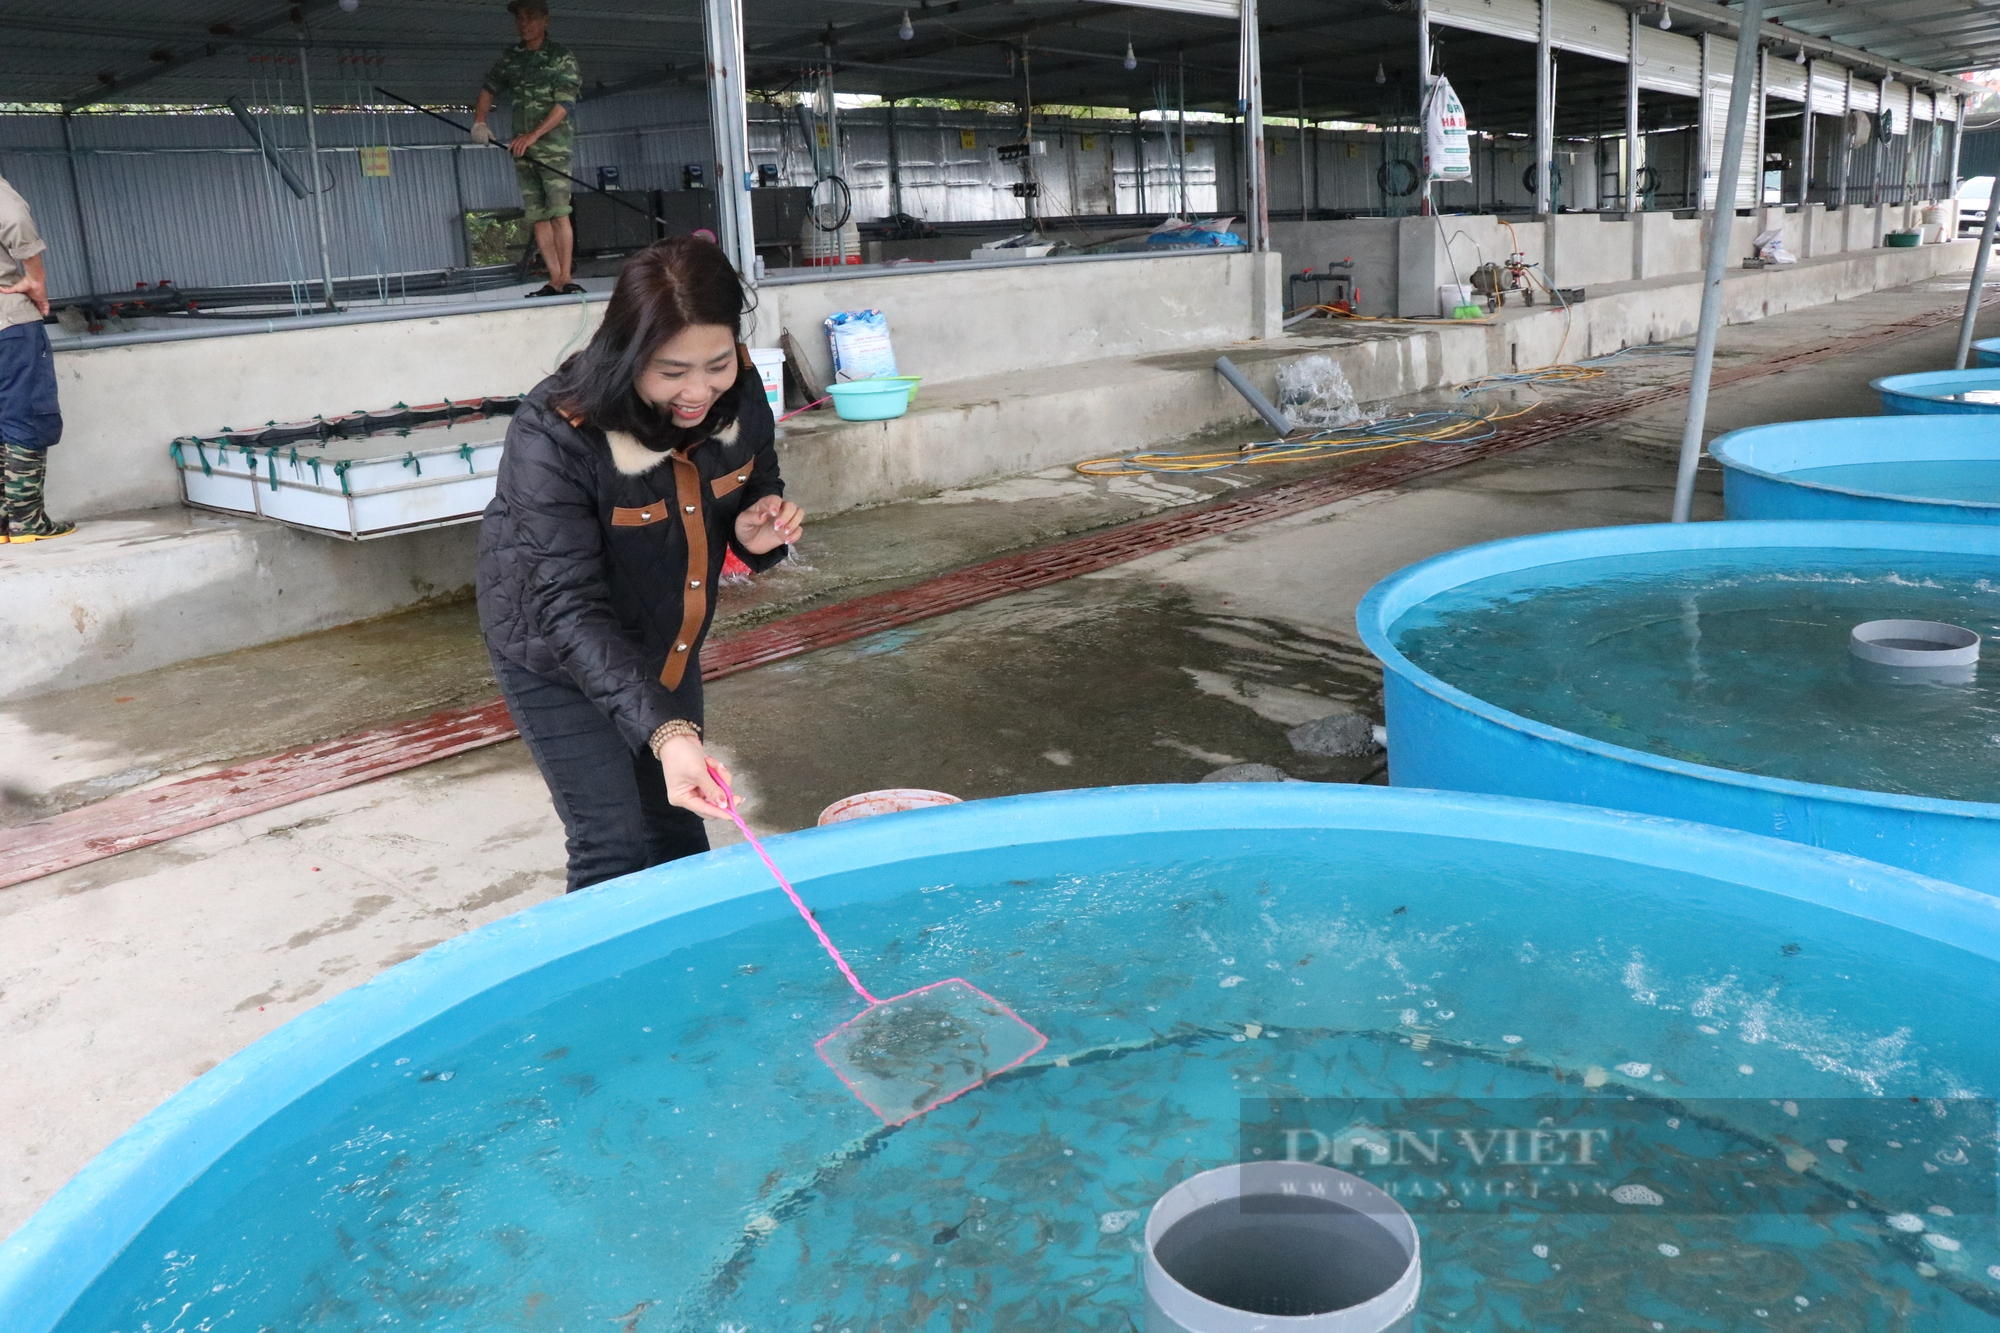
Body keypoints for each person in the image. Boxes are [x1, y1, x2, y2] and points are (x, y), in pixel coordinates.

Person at [477, 238, 804, 892]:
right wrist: (667, 732)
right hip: (553, 649)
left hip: (665, 637)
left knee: (680, 828)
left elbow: (756, 481)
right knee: (613, 843)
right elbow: (567, 608)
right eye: (672, 370)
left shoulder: (737, 393)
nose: (699, 390)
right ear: (628, 352)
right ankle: (604, 994)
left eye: (715, 363)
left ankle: (687, 985)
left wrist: (756, 533)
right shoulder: (553, 432)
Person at [473, 0, 583, 297]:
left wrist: (534, 135)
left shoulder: (561, 57)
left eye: (530, 17)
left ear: (545, 20)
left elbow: (565, 104)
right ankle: (555, 279)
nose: (524, 23)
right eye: (520, 18)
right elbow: (489, 88)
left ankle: (567, 277)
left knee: (559, 211)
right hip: (522, 149)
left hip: (553, 148)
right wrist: (480, 121)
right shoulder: (513, 57)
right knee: (537, 216)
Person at [0, 172, 70, 543]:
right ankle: (27, 521)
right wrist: (35, 279)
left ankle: (1, 523)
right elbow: (12, 217)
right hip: (8, 322)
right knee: (25, 415)